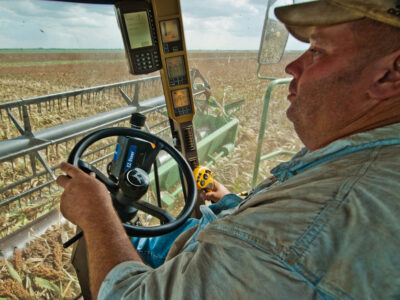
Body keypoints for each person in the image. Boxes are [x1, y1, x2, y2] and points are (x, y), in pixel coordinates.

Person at [56, 0, 400, 298]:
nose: (292, 67)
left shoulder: (314, 223)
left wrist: (97, 214)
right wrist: (232, 201)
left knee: (99, 244)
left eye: (317, 51)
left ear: (391, 75)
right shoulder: (359, 156)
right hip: (204, 236)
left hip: (172, 265)